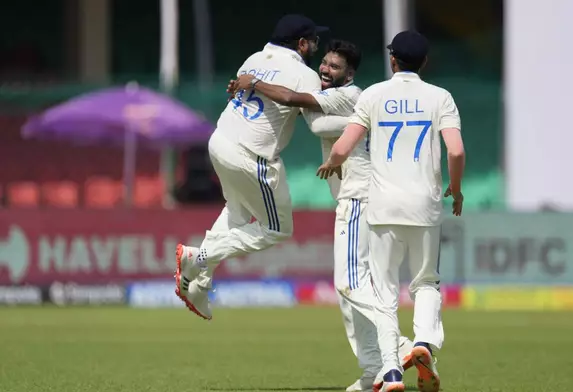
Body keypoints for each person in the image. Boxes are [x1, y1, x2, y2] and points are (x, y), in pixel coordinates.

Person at [233, 39, 415, 391]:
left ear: (349, 74)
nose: (325, 70)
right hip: (359, 200)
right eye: (325, 63)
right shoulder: (346, 100)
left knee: (350, 284)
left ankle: (399, 347)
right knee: (349, 290)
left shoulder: (350, 94)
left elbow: (309, 119)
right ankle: (371, 371)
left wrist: (253, 84)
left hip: (360, 200)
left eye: (334, 67)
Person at [316, 30, 466, 392]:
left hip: (381, 207)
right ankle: (422, 343)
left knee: (383, 294)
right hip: (424, 206)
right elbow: (456, 152)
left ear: (392, 60)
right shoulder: (439, 97)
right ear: (425, 62)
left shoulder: (373, 95)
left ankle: (392, 373)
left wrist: (333, 163)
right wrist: (456, 190)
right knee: (425, 283)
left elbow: (344, 145)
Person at [173, 14, 328, 320]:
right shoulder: (303, 73)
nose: (316, 47)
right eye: (313, 41)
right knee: (277, 229)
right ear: (300, 43)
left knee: (236, 212)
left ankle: (197, 283)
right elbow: (308, 112)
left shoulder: (254, 59)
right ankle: (197, 257)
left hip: (220, 141)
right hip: (251, 156)